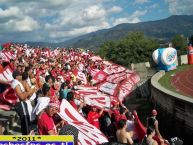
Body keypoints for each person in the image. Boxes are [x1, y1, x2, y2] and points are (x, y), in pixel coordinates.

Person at [11, 70, 35, 135]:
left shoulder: (17, 82)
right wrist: (30, 92)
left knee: (26, 121)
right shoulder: (15, 83)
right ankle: (26, 137)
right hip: (20, 104)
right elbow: (21, 97)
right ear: (17, 76)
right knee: (25, 122)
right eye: (20, 75)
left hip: (22, 103)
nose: (21, 76)